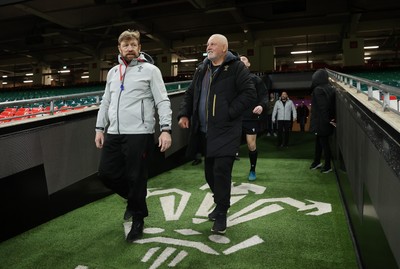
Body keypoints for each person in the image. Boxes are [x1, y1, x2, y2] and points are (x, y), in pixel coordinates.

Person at [94, 30, 172, 243]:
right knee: (105, 174)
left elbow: (162, 101)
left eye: (133, 44)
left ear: (139, 48)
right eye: (126, 45)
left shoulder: (150, 70)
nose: (130, 48)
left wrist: (166, 129)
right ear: (119, 48)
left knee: (136, 177)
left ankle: (138, 220)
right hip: (114, 133)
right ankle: (134, 200)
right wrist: (99, 128)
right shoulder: (112, 72)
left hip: (139, 133)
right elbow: (106, 102)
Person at [177, 34, 256, 234]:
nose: (208, 46)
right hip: (205, 132)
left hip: (227, 131)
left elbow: (249, 94)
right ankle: (219, 203)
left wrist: (229, 112)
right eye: (207, 43)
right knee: (210, 174)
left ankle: (221, 213)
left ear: (224, 48)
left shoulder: (236, 67)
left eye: (212, 44)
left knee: (221, 172)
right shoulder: (202, 68)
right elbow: (190, 93)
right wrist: (184, 113)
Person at [239, 55, 268, 181]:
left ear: (249, 64)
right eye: (239, 60)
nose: (241, 61)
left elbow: (264, 96)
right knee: (229, 145)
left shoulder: (256, 80)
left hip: (250, 118)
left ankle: (252, 169)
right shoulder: (232, 80)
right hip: (235, 118)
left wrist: (261, 106)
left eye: (244, 59)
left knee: (251, 145)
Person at [309, 69, 336, 173]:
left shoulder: (318, 90)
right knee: (319, 143)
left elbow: (322, 108)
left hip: (322, 122)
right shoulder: (330, 88)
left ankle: (327, 165)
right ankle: (317, 162)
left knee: (324, 144)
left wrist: (328, 120)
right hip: (326, 121)